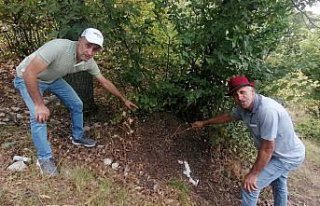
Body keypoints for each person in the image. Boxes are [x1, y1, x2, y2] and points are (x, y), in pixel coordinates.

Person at [14, 28, 138, 176]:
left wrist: (123, 99)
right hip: (26, 77)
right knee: (38, 116)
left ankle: (77, 137)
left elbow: (104, 82)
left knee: (77, 104)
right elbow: (29, 73)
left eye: (95, 49)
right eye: (88, 45)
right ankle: (44, 159)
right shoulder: (58, 47)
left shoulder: (88, 62)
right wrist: (40, 105)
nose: (90, 52)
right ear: (80, 39)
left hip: (52, 79)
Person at [192, 75, 305, 206]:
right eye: (235, 95)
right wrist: (204, 123)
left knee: (250, 187)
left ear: (252, 90)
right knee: (278, 184)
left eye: (242, 92)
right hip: (277, 154)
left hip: (287, 156)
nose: (239, 97)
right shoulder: (244, 108)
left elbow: (267, 148)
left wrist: (253, 174)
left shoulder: (267, 111)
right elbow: (229, 116)